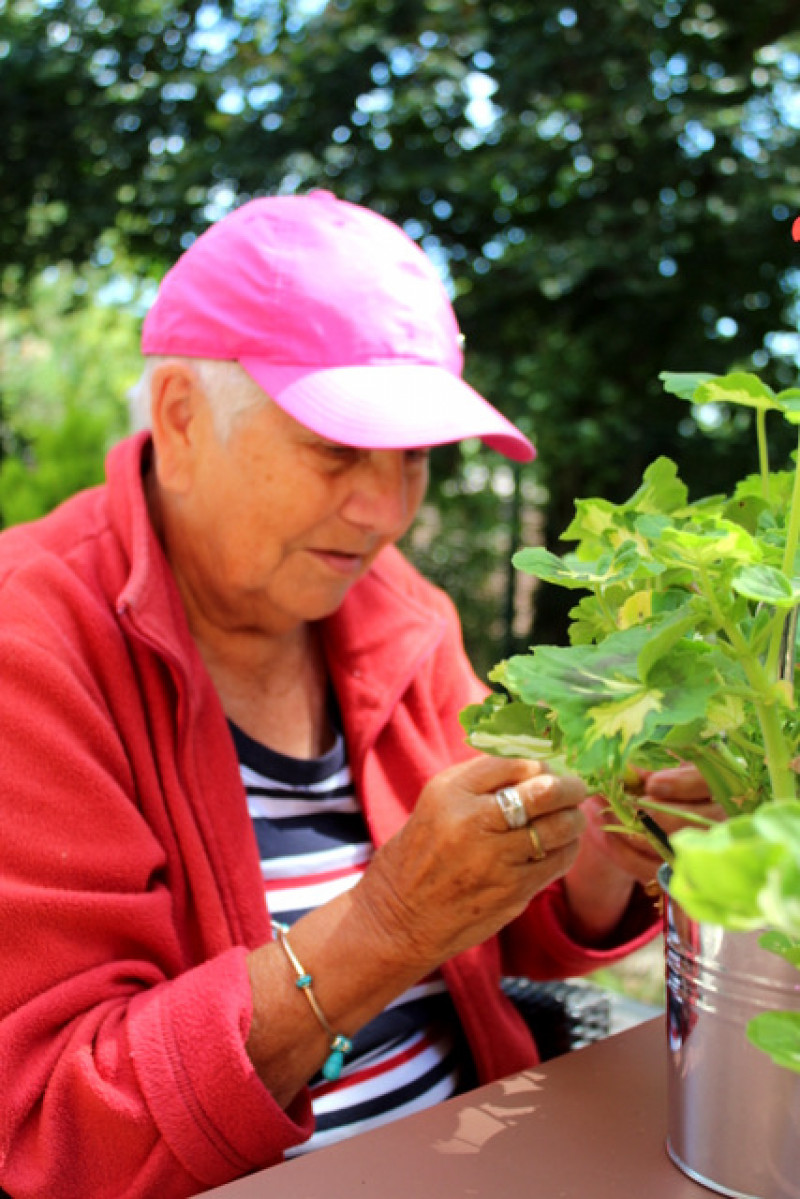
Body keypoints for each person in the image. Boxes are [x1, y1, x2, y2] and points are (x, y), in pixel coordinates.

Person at [0, 191, 713, 1199]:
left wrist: (604, 839)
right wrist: (382, 930)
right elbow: (51, 1127)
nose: (384, 513)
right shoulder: (28, 642)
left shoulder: (396, 609)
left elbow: (516, 936)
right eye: (333, 449)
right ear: (179, 416)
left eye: (412, 459)